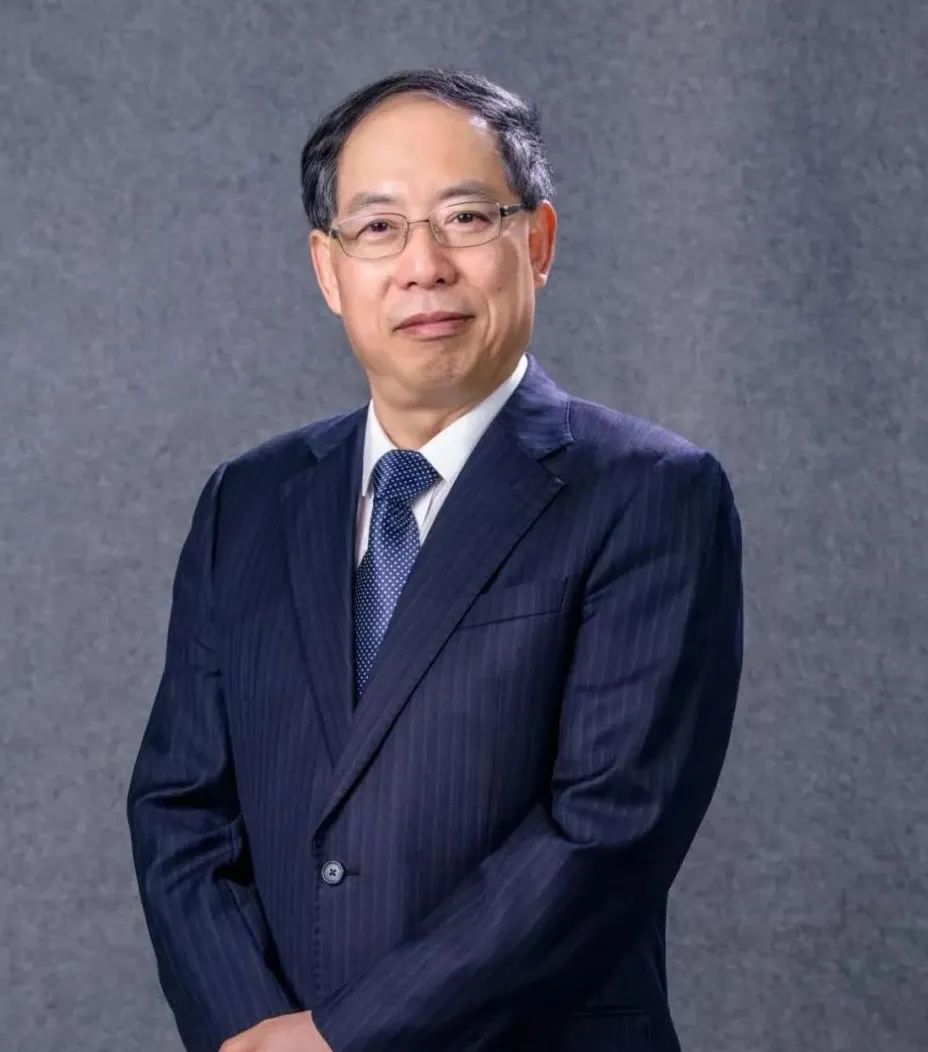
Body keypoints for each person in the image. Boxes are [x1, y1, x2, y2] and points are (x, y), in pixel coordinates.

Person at [127, 67, 743, 1052]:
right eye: (378, 227)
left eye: (465, 217)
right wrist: (249, 1028)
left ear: (536, 243)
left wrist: (345, 1037)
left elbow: (606, 829)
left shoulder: (650, 493)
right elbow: (181, 808)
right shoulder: (246, 501)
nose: (423, 265)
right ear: (328, 269)